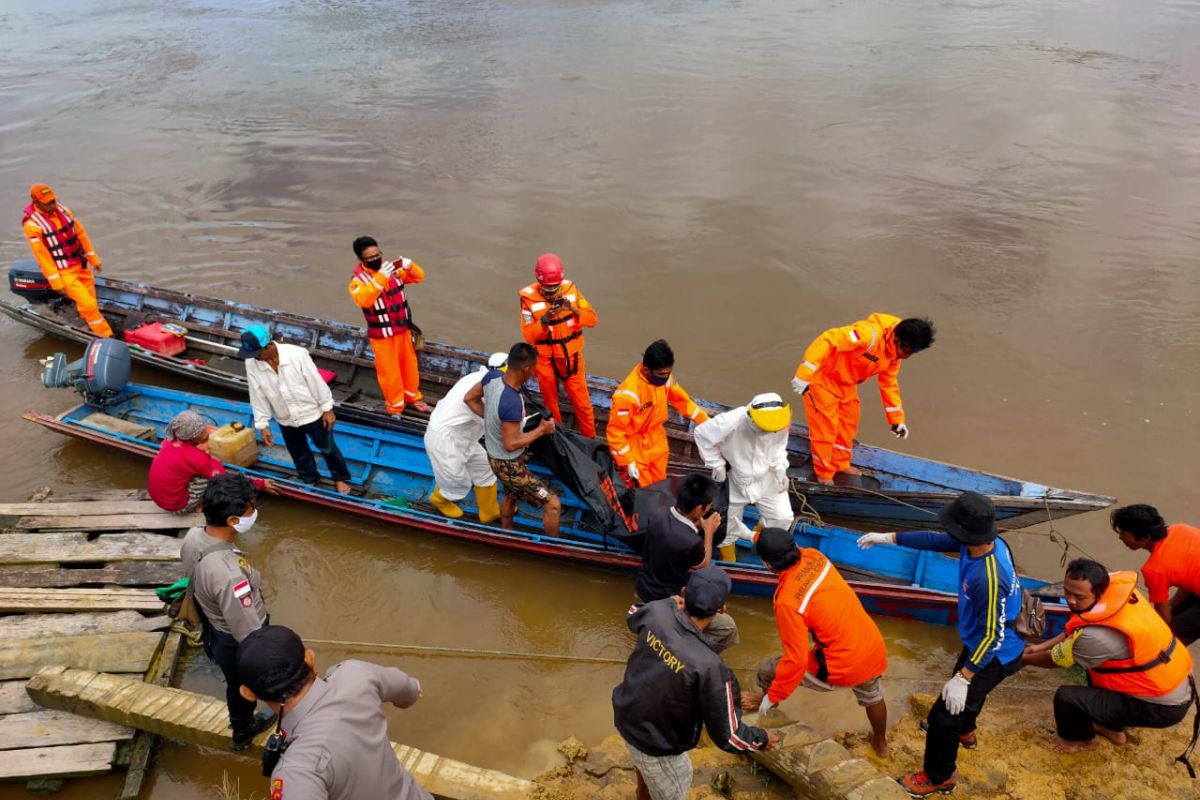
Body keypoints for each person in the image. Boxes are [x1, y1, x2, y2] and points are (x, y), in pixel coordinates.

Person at [857, 491, 1024, 797]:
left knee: (942, 717)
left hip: (996, 650)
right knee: (967, 696)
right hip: (982, 641)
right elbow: (933, 541)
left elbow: (993, 637)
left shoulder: (987, 577)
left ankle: (939, 777)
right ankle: (966, 730)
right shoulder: (988, 543)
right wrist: (888, 538)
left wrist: (964, 678)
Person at [613, 566, 778, 800]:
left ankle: (642, 794)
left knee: (647, 775)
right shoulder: (711, 668)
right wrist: (761, 739)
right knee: (674, 787)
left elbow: (632, 614)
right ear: (721, 609)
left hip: (626, 714)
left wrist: (669, 603)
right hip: (657, 743)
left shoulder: (657, 612)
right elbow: (728, 736)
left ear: (683, 592)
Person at [236, 625, 434, 800]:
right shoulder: (354, 674)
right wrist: (415, 689)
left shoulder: (295, 772)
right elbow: (407, 690)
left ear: (249, 693)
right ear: (310, 658)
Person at [1021, 559, 1195, 755]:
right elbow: (1077, 628)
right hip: (1175, 684)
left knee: (1066, 698)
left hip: (1162, 707)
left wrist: (1025, 659)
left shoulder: (1098, 637)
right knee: (1098, 670)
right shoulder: (1120, 597)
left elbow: (1056, 659)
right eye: (1067, 591)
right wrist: (1039, 647)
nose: (1070, 600)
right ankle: (1111, 729)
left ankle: (1079, 741)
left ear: (1099, 592)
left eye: (1078, 596)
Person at [743, 527, 891, 757]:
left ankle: (767, 704)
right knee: (873, 696)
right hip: (871, 645)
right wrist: (753, 536)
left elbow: (796, 661)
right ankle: (881, 744)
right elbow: (785, 547)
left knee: (768, 670)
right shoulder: (815, 556)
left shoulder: (788, 603)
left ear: (767, 565)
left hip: (840, 662)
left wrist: (774, 695)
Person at [181, 473, 275, 750]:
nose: (254, 512)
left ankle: (241, 725)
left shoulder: (194, 536)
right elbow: (249, 634)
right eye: (251, 508)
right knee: (243, 683)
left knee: (235, 680)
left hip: (213, 625)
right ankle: (243, 731)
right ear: (233, 520)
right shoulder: (230, 575)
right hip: (233, 639)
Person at [790, 315, 934, 485]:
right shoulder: (868, 335)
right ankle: (824, 473)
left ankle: (840, 463)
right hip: (823, 380)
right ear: (897, 340)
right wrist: (804, 374)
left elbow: (889, 384)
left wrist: (897, 420)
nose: (908, 357)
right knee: (825, 430)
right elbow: (829, 339)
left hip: (847, 384)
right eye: (909, 352)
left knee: (848, 425)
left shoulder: (893, 356)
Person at [237, 325, 352, 495]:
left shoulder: (297, 354)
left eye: (258, 353)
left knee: (327, 447)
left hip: (311, 411)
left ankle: (340, 478)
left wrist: (327, 408)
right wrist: (263, 424)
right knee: (298, 450)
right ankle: (309, 478)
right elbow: (257, 393)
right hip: (285, 415)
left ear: (269, 346)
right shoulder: (252, 363)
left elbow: (315, 381)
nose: (256, 358)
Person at [634, 473, 738, 653]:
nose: (710, 509)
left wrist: (696, 526)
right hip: (668, 599)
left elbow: (675, 532)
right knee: (728, 627)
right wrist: (709, 531)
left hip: (643, 587)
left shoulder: (658, 512)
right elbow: (703, 568)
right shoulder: (692, 542)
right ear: (699, 509)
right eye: (709, 507)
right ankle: (690, 647)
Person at [464, 343, 561, 536]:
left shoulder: (491, 378)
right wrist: (542, 429)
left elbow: (469, 398)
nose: (533, 373)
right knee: (553, 505)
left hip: (494, 456)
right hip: (508, 464)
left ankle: (506, 533)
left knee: (511, 493)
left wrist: (492, 419)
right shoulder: (511, 402)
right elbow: (511, 444)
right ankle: (554, 547)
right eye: (534, 369)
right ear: (526, 369)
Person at [347, 235, 433, 416]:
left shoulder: (392, 271)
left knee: (410, 367)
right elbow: (363, 299)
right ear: (361, 259)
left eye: (378, 254)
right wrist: (379, 279)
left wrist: (410, 265)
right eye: (370, 257)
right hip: (383, 337)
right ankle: (395, 408)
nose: (376, 259)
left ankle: (413, 398)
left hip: (403, 331)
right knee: (390, 373)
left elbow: (419, 277)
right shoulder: (358, 282)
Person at [693, 393, 793, 545]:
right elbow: (702, 435)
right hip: (734, 478)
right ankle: (728, 556)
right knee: (727, 527)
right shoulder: (731, 421)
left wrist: (780, 469)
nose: (769, 433)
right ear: (752, 417)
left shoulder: (780, 421)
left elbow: (779, 446)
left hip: (768, 477)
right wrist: (716, 464)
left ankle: (763, 543)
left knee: (782, 517)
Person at [607, 340, 709, 488]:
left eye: (668, 373)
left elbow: (683, 402)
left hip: (657, 440)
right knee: (644, 490)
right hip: (634, 446)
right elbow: (615, 433)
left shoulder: (664, 379)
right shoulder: (627, 395)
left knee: (660, 484)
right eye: (661, 374)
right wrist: (627, 462)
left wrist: (707, 422)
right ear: (647, 370)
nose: (666, 377)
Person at [518, 253, 599, 438]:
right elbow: (529, 335)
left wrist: (573, 309)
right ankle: (558, 438)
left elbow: (593, 319)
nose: (552, 292)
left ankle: (591, 440)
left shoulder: (571, 290)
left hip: (572, 359)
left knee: (583, 404)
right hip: (545, 359)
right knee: (550, 403)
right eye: (547, 289)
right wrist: (546, 319)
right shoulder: (528, 299)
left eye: (555, 288)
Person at [422, 352, 506, 522]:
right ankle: (439, 500)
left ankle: (489, 511)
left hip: (465, 437)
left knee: (485, 468)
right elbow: (496, 422)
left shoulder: (480, 377)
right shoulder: (483, 391)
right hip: (445, 439)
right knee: (458, 482)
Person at [21, 184, 113, 337]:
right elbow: (42, 255)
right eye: (47, 203)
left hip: (80, 264)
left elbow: (81, 234)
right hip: (64, 272)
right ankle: (106, 335)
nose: (52, 205)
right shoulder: (32, 225)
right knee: (88, 304)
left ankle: (87, 322)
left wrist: (93, 258)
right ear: (36, 203)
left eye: (53, 201)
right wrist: (55, 281)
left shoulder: (65, 211)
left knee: (91, 300)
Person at [148, 410, 277, 512]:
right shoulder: (198, 459)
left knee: (206, 466)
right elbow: (227, 480)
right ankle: (198, 505)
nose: (207, 432)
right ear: (192, 437)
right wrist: (260, 484)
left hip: (158, 499)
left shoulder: (169, 442)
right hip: (177, 506)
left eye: (204, 428)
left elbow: (187, 456)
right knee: (215, 478)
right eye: (202, 432)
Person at [1110, 504, 1200, 645]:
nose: (1120, 538)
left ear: (1144, 538)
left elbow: (1164, 618)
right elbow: (1189, 576)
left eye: (1124, 534)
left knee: (1167, 641)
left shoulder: (1154, 569)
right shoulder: (1180, 529)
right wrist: (1171, 605)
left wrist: (1167, 626)